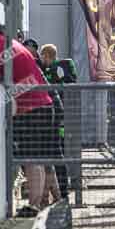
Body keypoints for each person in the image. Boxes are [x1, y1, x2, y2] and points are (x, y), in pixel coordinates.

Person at [0, 15, 60, 217]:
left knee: (31, 159)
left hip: (30, 108)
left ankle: (33, 206)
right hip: (44, 104)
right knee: (43, 159)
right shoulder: (9, 41)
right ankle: (52, 203)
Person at [40, 43, 77, 200]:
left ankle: (62, 191)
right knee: (55, 154)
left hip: (58, 117)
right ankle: (56, 192)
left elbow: (68, 85)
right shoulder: (49, 69)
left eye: (43, 57)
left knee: (58, 153)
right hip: (55, 117)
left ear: (47, 56)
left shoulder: (60, 68)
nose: (42, 60)